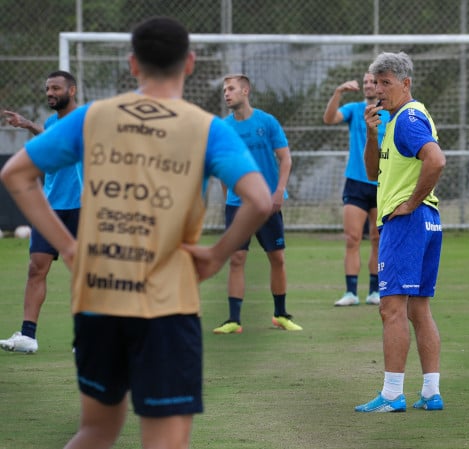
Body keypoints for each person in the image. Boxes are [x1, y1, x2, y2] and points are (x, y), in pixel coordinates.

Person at [0, 16, 272, 448]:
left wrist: (70, 249)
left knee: (95, 430)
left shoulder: (93, 117)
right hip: (167, 303)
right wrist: (217, 255)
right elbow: (259, 199)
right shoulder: (207, 128)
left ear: (132, 64)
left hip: (98, 297)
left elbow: (17, 174)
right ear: (190, 63)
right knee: (164, 439)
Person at [354, 52, 446, 413]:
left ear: (406, 84)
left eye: (386, 83)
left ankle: (392, 394)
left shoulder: (407, 118)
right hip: (427, 222)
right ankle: (431, 392)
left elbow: (436, 160)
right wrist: (371, 132)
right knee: (419, 310)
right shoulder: (395, 121)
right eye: (376, 83)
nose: (379, 90)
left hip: (407, 222)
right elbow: (373, 170)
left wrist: (409, 203)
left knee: (391, 308)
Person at [212, 73, 302, 334]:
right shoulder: (224, 128)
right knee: (237, 258)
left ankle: (281, 314)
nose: (226, 93)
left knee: (277, 258)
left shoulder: (267, 122)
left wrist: (279, 192)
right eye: (224, 90)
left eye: (231, 89)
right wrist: (228, 195)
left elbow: (285, 159)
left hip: (266, 203)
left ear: (245, 91)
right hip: (237, 204)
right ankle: (233, 320)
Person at [0, 70, 81, 354]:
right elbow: (51, 144)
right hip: (51, 209)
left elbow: (66, 143)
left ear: (71, 91)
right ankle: (27, 335)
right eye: (47, 88)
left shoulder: (85, 118)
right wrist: (29, 126)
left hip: (83, 207)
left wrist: (29, 126)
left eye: (56, 88)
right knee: (36, 268)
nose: (50, 93)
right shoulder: (49, 122)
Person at [322, 73, 389, 306]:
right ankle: (350, 292)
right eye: (366, 82)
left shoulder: (390, 113)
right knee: (352, 238)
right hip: (356, 183)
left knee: (378, 238)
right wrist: (338, 92)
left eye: (374, 82)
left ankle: (375, 291)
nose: (369, 85)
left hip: (382, 184)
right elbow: (329, 119)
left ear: (381, 86)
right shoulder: (353, 109)